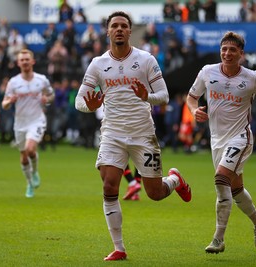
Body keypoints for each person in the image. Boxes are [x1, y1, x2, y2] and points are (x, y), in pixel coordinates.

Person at [74, 11, 191, 261]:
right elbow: (78, 101)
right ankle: (119, 248)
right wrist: (91, 106)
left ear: (129, 31)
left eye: (123, 26)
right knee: (109, 185)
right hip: (112, 132)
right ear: (107, 31)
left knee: (155, 193)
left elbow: (164, 96)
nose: (119, 29)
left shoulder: (146, 59)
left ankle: (174, 180)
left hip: (142, 133)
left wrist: (145, 96)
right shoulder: (97, 64)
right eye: (114, 25)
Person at [186, 31, 256, 254]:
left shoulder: (252, 78)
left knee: (221, 178)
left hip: (240, 138)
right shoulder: (207, 72)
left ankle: (218, 238)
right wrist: (194, 110)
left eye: (233, 50)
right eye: (224, 49)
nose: (227, 53)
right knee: (236, 189)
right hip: (217, 140)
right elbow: (191, 97)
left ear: (241, 54)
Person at [1, 49, 54, 197]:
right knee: (24, 157)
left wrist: (47, 100)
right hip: (20, 123)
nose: (24, 62)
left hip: (36, 120)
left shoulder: (41, 79)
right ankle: (30, 183)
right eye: (22, 60)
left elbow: (51, 95)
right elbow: (4, 103)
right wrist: (9, 101)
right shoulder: (13, 82)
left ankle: (35, 171)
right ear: (18, 63)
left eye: (27, 59)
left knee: (31, 149)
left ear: (32, 61)